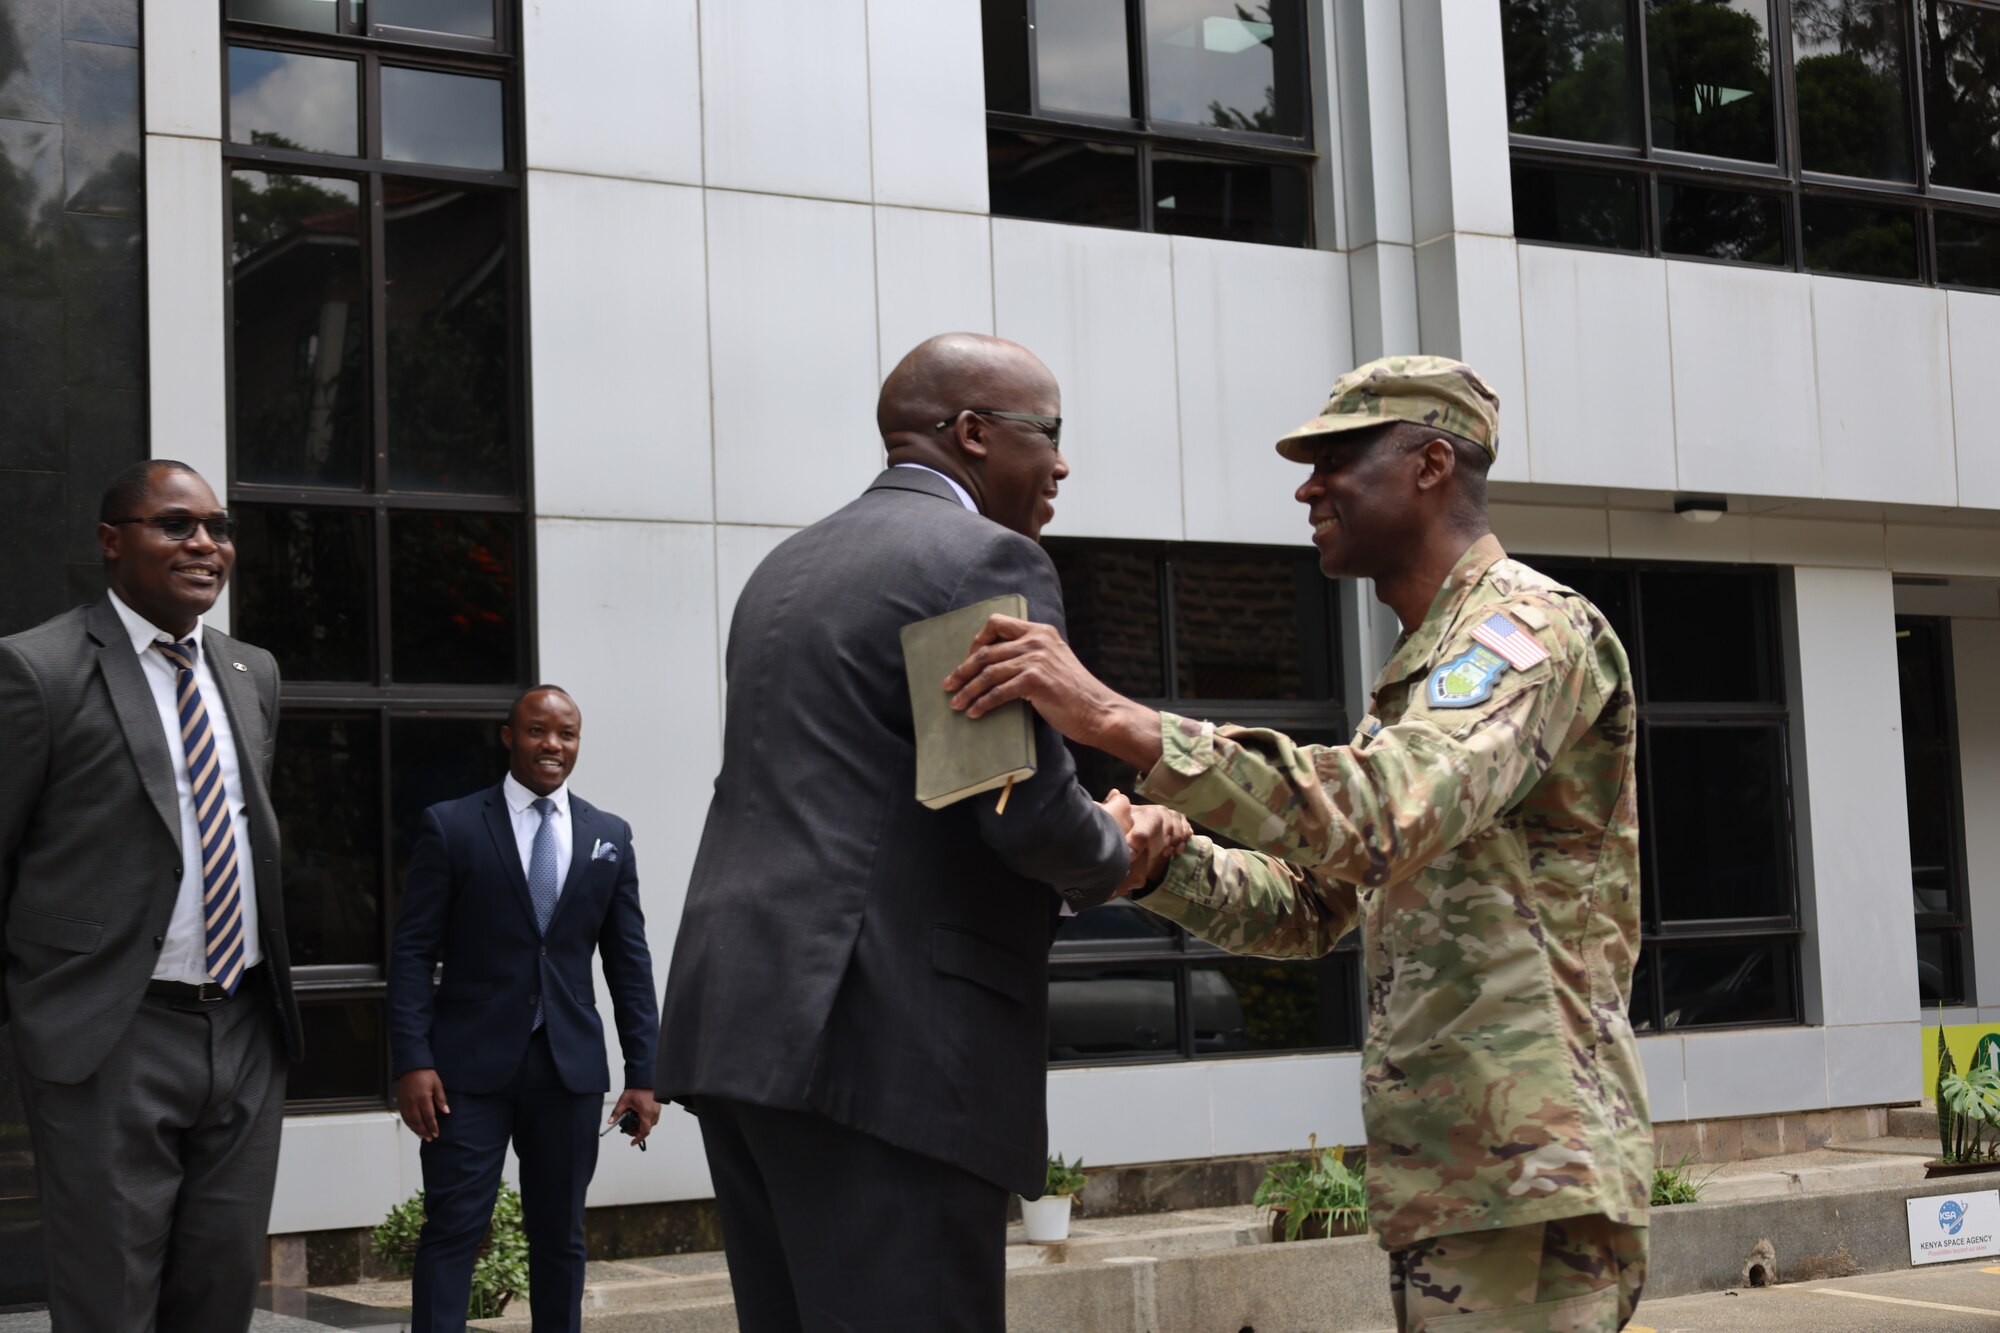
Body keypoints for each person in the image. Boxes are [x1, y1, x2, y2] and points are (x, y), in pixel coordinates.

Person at [943, 356, 1653, 1333]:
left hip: (1531, 1181)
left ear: (1430, 465)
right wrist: (1161, 864)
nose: (1307, 488)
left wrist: (1119, 720)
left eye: (1337, 460)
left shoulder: (1526, 632)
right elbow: (1314, 906)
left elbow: (1382, 813)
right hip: (1464, 1184)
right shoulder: (1419, 679)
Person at [656, 332, 1189, 1333]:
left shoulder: (786, 567)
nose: (1062, 464)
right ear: (973, 433)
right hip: (881, 1048)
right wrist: (1118, 845)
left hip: (740, 1027)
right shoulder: (976, 560)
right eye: (1049, 433)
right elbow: (1016, 808)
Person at [0, 459, 304, 1331]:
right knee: (110, 1302)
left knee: (218, 1295)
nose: (206, 543)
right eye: (177, 525)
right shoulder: (39, 669)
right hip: (110, 1034)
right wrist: (37, 1011)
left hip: (243, 1027)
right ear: (111, 541)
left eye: (218, 528)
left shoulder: (251, 671)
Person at [387, 685, 660, 1333]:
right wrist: (412, 1059)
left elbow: (629, 963)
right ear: (509, 737)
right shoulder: (451, 825)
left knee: (561, 1235)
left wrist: (644, 1073)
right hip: (464, 1072)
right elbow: (412, 953)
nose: (552, 745)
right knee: (453, 1228)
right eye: (538, 731)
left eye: (566, 733)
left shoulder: (609, 835)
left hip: (568, 1072)